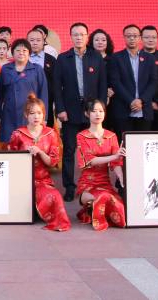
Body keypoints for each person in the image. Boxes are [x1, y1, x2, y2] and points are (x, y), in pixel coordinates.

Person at [52, 22, 108, 201]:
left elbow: (103, 84)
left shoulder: (96, 57)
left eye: (82, 34)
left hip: (92, 112)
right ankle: (69, 187)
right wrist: (60, 109)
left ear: (87, 36)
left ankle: (93, 185)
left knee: (94, 150)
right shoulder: (63, 58)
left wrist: (100, 109)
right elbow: (56, 87)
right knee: (69, 150)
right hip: (70, 111)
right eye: (75, 34)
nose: (79, 37)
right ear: (71, 37)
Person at [6, 93, 70, 231]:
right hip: (21, 180)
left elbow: (52, 162)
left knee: (55, 196)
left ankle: (56, 222)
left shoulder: (50, 133)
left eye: (39, 113)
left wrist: (40, 152)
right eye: (32, 113)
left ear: (44, 114)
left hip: (42, 180)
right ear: (26, 115)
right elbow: (11, 160)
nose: (36, 117)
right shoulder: (18, 134)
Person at [76, 99, 126, 231]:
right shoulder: (82, 136)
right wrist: (114, 156)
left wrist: (121, 177)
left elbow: (116, 162)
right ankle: (91, 208)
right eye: (94, 111)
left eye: (101, 111)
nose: (98, 114)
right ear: (87, 113)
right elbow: (90, 160)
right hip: (87, 184)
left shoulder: (111, 136)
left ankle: (92, 210)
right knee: (103, 197)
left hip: (105, 183)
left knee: (120, 209)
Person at [0, 39, 48, 144]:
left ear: (29, 53)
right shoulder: (6, 69)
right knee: (10, 144)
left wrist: (43, 117)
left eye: (24, 50)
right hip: (9, 115)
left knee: (29, 144)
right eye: (18, 50)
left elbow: (43, 94)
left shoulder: (37, 70)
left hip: (30, 115)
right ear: (12, 53)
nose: (21, 53)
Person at [108, 25, 157, 135]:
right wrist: (131, 101)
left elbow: (153, 82)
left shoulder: (149, 58)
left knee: (142, 142)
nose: (132, 38)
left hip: (144, 109)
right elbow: (115, 82)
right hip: (123, 109)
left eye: (135, 36)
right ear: (124, 38)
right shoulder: (116, 58)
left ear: (140, 38)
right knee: (124, 142)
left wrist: (141, 100)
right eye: (128, 36)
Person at [27, 28, 58, 124]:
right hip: (26, 103)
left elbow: (55, 83)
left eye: (38, 40)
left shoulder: (51, 60)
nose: (35, 43)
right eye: (32, 40)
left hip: (46, 103)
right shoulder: (22, 58)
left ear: (44, 42)